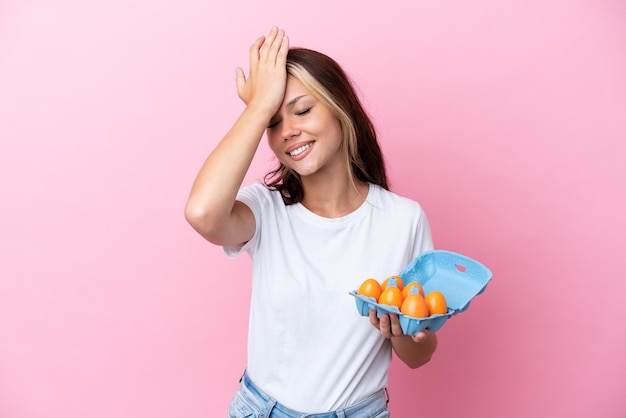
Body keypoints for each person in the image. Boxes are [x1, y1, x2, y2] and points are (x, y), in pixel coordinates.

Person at [185, 27, 438, 417]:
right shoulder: (265, 210)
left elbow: (420, 354)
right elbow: (202, 213)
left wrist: (402, 333)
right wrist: (256, 108)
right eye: (273, 121)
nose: (288, 131)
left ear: (341, 109)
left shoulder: (403, 220)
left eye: (302, 110)